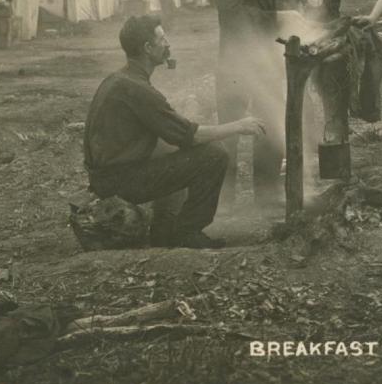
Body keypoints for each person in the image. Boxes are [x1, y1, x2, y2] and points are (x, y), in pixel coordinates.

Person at [83, 15, 265, 249]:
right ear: (148, 48)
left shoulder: (120, 79)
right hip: (119, 181)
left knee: (178, 153)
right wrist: (240, 125)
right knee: (214, 155)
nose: (168, 44)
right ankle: (188, 232)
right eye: (162, 39)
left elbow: (172, 135)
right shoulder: (137, 89)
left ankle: (164, 230)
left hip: (107, 176)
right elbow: (190, 135)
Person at [211, 0, 302, 209]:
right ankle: (224, 201)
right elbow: (234, 14)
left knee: (270, 128)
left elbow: (279, 17)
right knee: (230, 132)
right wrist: (279, 18)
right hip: (235, 66)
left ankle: (265, 194)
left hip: (268, 65)